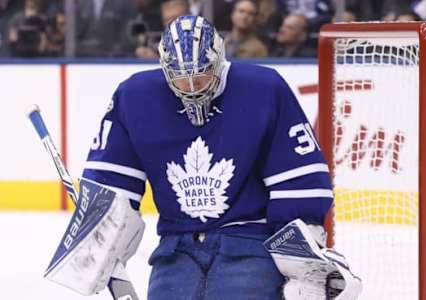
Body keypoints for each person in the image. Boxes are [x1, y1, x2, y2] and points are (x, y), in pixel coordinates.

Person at [81, 15, 361, 299]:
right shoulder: (134, 96)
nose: (192, 87)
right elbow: (111, 177)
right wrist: (100, 235)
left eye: (201, 74)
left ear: (218, 59)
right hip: (175, 247)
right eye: (180, 77)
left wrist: (302, 264)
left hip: (248, 243)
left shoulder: (263, 89)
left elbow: (298, 178)